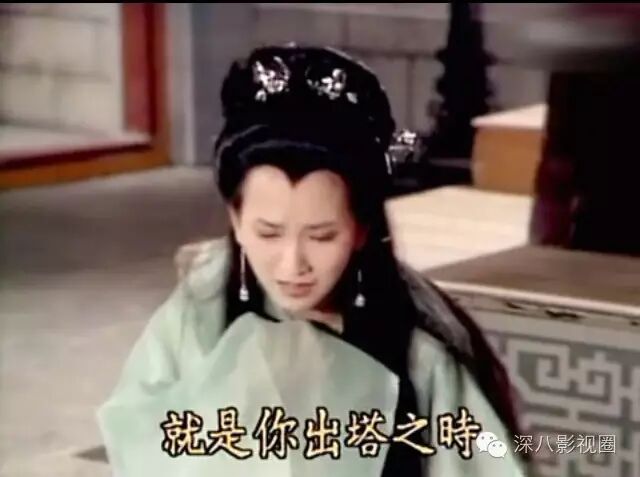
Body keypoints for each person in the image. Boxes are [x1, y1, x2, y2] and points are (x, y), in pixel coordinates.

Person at [98, 45, 529, 476]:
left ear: (362, 228)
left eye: (322, 236)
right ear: (236, 219)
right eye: (268, 233)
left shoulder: (419, 353)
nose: (292, 266)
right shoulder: (198, 315)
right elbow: (141, 440)